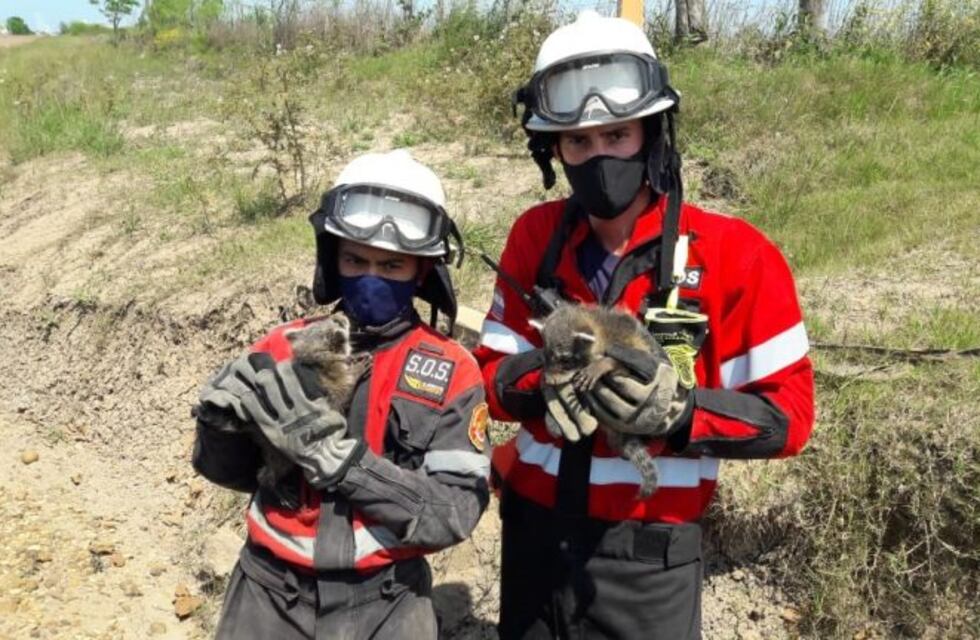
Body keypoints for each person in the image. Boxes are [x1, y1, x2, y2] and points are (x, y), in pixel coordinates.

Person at [474, 11, 815, 639]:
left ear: (653, 134)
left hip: (649, 555)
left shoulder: (737, 254)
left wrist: (680, 415)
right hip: (531, 537)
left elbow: (789, 418)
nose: (597, 155)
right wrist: (538, 381)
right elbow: (489, 384)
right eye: (578, 141)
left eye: (618, 135)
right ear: (555, 149)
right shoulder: (534, 236)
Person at [192, 150, 491, 639]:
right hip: (268, 594)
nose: (371, 275)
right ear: (334, 257)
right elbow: (228, 472)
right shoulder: (283, 343)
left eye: (391, 265)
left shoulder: (452, 369)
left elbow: (454, 513)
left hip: (388, 601)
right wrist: (218, 425)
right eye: (356, 259)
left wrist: (349, 467)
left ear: (422, 270)